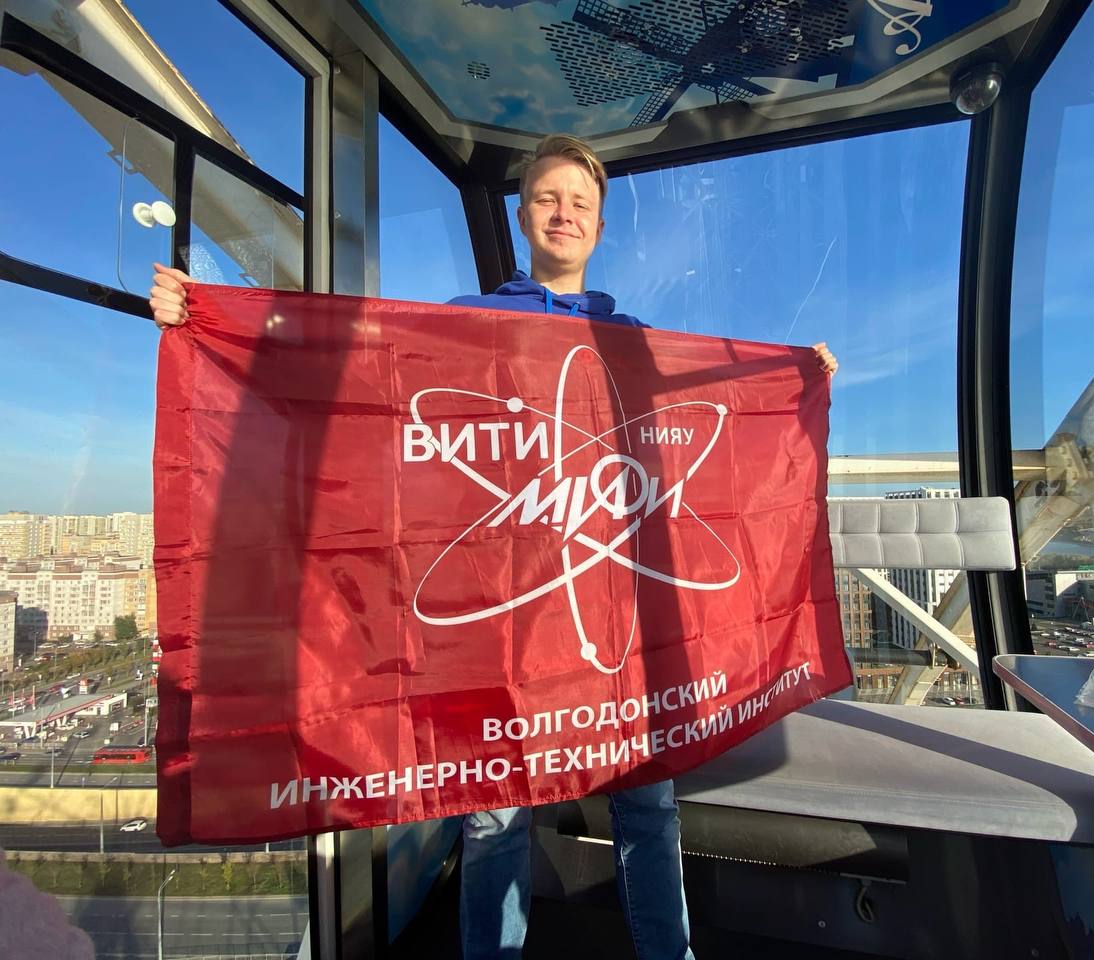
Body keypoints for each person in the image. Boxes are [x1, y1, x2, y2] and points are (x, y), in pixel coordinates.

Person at [150, 133, 837, 960]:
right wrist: (207, 318)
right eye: (548, 198)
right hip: (501, 628)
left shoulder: (633, 339)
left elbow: (716, 412)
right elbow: (356, 380)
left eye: (580, 203)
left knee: (650, 809)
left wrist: (798, 377)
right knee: (495, 819)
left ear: (600, 226)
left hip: (617, 626)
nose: (564, 214)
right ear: (521, 216)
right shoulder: (468, 327)